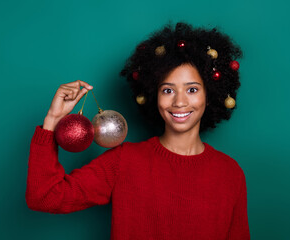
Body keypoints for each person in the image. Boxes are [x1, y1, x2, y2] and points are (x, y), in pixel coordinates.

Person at [26, 21, 250, 240]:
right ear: (155, 95)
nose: (180, 102)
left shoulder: (230, 173)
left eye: (192, 89)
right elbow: (44, 197)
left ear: (209, 95)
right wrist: (53, 120)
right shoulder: (124, 162)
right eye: (168, 90)